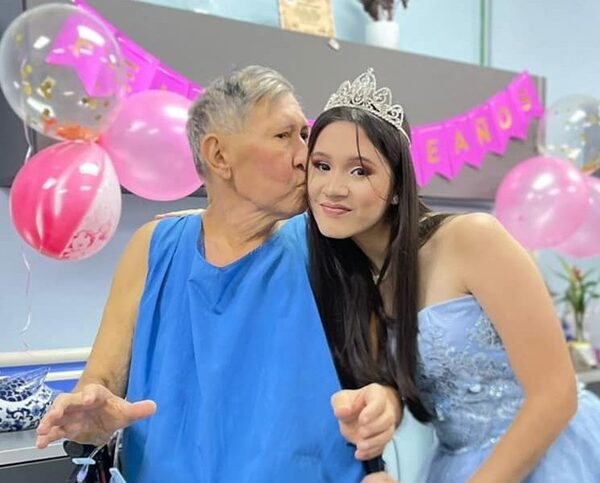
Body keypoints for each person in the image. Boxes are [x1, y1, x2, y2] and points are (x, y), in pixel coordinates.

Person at [35, 66, 402, 482]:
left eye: (304, 135)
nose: (306, 156)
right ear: (219, 155)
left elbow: (382, 382)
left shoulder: (332, 241)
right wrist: (92, 419)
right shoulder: (153, 248)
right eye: (284, 137)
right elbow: (99, 383)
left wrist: (384, 408)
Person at [294, 67, 600, 482]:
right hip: (456, 461)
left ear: (399, 186)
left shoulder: (470, 239)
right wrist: (382, 404)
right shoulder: (355, 279)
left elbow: (556, 395)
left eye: (360, 170)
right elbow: (394, 384)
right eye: (322, 165)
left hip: (549, 452)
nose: (332, 187)